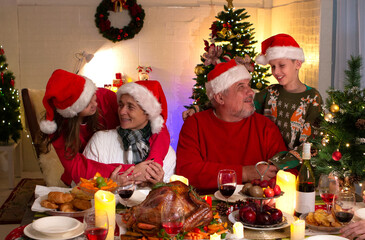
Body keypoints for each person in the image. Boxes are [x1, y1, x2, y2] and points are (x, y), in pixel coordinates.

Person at [40, 69, 170, 186]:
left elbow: (157, 122)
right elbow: (77, 168)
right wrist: (132, 171)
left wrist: (152, 165)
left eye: (92, 95)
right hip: (87, 177)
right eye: (86, 104)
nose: (95, 103)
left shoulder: (105, 98)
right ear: (73, 111)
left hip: (113, 157)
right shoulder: (57, 128)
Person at [176, 59, 287, 192]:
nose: (251, 92)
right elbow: (187, 172)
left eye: (248, 85)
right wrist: (244, 173)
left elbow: (286, 171)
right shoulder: (195, 124)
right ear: (220, 98)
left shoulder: (265, 127)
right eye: (241, 87)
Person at [83, 81, 176, 184]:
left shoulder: (168, 154)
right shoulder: (100, 141)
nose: (122, 112)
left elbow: (171, 195)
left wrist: (160, 185)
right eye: (121, 105)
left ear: (148, 113)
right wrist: (110, 184)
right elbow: (80, 186)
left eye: (130, 107)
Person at [254, 33, 323, 150]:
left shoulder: (312, 97)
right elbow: (244, 107)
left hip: (295, 163)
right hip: (265, 160)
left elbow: (311, 142)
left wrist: (280, 164)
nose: (276, 72)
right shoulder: (269, 91)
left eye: (281, 65)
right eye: (273, 66)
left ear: (298, 64)